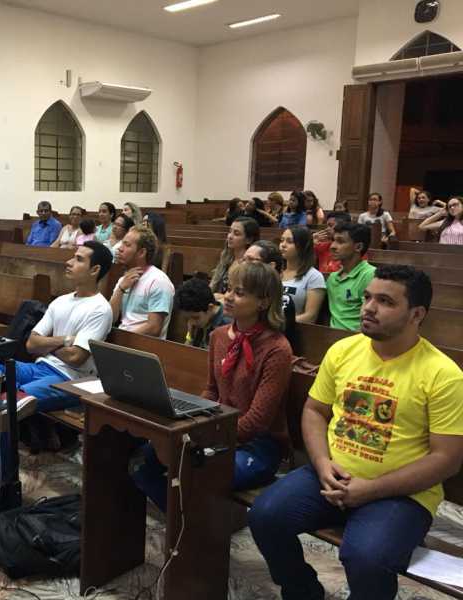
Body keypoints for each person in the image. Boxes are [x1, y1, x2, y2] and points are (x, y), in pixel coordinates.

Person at [249, 265, 463, 600]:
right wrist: (322, 464)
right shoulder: (343, 351)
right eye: (367, 297)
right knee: (265, 516)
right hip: (331, 475)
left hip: (400, 495)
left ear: (416, 314)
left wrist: (370, 489)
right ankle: (302, 591)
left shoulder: (442, 375)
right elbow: (315, 411)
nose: (369, 308)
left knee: (366, 558)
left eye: (385, 301)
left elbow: (446, 459)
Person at [132, 261, 292, 512]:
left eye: (239, 292)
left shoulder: (277, 349)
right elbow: (212, 390)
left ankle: (194, 525)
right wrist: (192, 421)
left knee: (197, 471)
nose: (228, 296)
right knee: (143, 460)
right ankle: (185, 522)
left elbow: (257, 421)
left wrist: (205, 434)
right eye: (228, 289)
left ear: (263, 302)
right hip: (217, 428)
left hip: (258, 445)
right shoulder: (218, 336)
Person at [0, 242, 115, 475]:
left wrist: (47, 345)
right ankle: (11, 394)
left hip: (69, 380)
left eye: (79, 259)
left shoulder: (100, 309)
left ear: (95, 270)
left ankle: (2, 479)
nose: (69, 262)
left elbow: (76, 357)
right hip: (39, 368)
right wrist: (64, 340)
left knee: (7, 403)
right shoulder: (61, 301)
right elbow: (31, 344)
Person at [110, 225, 175, 339]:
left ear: (141, 252)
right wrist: (120, 289)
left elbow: (154, 328)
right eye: (122, 243)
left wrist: (122, 340)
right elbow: (111, 319)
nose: (120, 248)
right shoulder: (123, 280)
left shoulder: (158, 281)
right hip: (123, 340)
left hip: (143, 345)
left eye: (127, 245)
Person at [243, 240, 297, 346]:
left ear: (271, 266)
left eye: (250, 260)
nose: (244, 265)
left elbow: (267, 340)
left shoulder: (283, 300)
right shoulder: (242, 293)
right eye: (244, 260)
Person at [325, 222, 376, 331]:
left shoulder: (369, 275)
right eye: (333, 240)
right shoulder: (332, 278)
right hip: (331, 335)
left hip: (357, 337)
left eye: (340, 241)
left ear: (358, 247)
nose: (332, 246)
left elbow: (370, 317)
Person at [280, 226, 326, 323]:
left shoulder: (314, 276)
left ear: (303, 246)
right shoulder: (276, 271)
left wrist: (279, 322)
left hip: (294, 328)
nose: (283, 245)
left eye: (290, 241)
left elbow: (310, 317)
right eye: (282, 240)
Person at [210, 217, 260, 298]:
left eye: (236, 234)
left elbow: (246, 296)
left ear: (249, 240)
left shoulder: (250, 265)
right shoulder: (227, 259)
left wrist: (222, 297)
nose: (230, 236)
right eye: (230, 231)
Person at [175, 276, 231, 348]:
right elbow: (187, 352)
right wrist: (190, 336)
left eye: (195, 318)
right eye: (187, 319)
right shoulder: (200, 320)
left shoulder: (227, 325)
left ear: (210, 308)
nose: (191, 322)